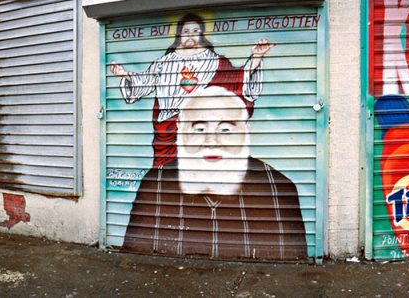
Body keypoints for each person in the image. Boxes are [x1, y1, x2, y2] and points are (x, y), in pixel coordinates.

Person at [123, 85, 307, 260]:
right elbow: (133, 258)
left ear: (245, 131)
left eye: (225, 129)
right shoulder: (155, 184)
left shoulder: (278, 188)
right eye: (200, 129)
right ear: (182, 129)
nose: (212, 141)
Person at [109, 13, 273, 167]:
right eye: (186, 31)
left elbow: (236, 79)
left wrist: (256, 58)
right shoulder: (164, 63)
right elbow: (144, 81)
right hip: (168, 128)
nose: (190, 35)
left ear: (201, 34)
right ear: (179, 35)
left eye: (195, 31)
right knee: (166, 175)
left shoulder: (215, 61)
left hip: (200, 127)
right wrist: (126, 75)